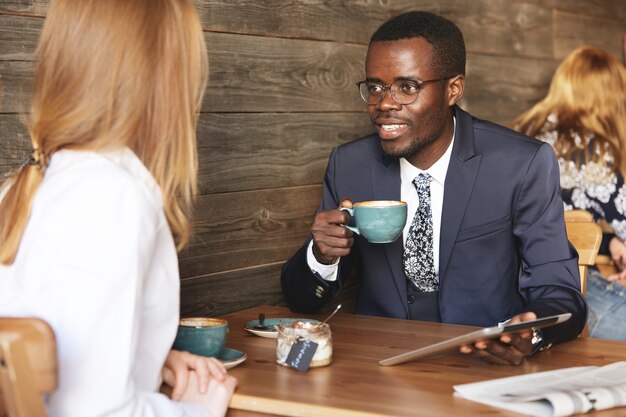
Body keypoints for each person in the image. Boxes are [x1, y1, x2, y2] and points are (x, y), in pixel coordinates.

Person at [281, 11, 587, 365]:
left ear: (453, 89)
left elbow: (561, 293)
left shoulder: (519, 164)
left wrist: (530, 332)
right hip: (377, 367)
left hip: (483, 366)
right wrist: (322, 255)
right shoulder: (351, 165)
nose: (384, 103)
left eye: (407, 87)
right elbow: (302, 302)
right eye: (376, 86)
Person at [0, 0, 237, 416]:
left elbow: (56, 335)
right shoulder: (111, 197)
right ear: (164, 74)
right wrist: (199, 410)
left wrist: (145, 358)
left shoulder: (20, 188)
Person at [512, 46, 626, 341]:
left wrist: (609, 240)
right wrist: (616, 239)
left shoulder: (523, 134)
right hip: (566, 287)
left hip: (516, 281)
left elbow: (566, 216)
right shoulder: (597, 149)